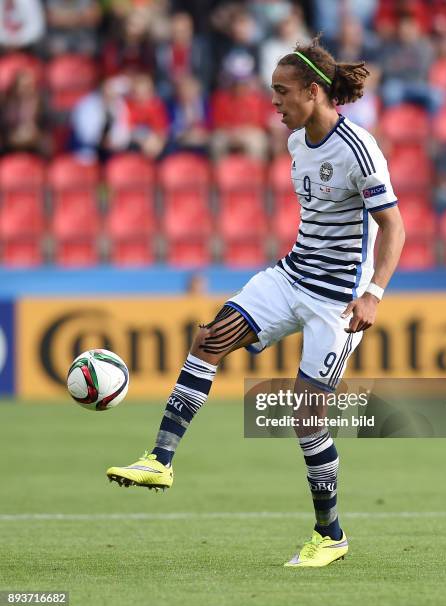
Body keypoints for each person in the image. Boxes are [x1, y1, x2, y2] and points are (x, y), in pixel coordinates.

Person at [107, 36, 405, 568]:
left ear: (315, 92)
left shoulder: (359, 148)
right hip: (291, 277)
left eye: (282, 92)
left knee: (305, 415)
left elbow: (393, 227)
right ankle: (160, 458)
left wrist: (373, 293)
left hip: (335, 302)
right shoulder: (295, 143)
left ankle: (329, 535)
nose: (275, 103)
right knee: (209, 338)